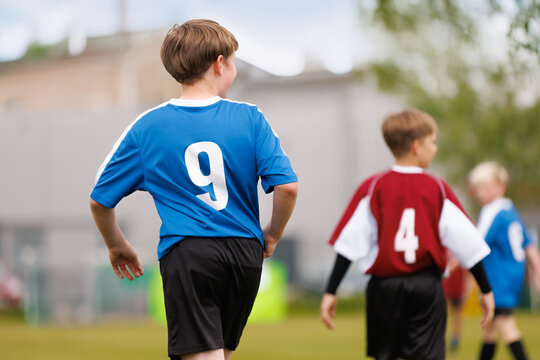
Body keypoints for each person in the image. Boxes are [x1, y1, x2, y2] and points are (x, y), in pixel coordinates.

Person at [89, 19, 298, 360]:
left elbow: (100, 200)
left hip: (190, 253)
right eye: (233, 63)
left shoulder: (148, 126)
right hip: (245, 255)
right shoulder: (250, 117)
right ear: (219, 64)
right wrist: (272, 235)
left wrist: (117, 245)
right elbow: (287, 188)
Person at [320, 108, 495, 360]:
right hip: (426, 287)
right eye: (432, 142)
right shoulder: (437, 187)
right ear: (416, 146)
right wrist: (485, 290)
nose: (435, 148)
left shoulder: (373, 186)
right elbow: (468, 244)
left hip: (384, 289)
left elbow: (349, 244)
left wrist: (331, 290)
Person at [468, 161, 540, 360]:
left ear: (500, 186)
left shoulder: (493, 211)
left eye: (485, 187)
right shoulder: (511, 211)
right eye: (478, 188)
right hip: (513, 276)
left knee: (506, 324)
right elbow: (530, 246)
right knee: (489, 329)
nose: (481, 193)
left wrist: (452, 261)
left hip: (499, 279)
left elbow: (475, 243)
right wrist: (536, 272)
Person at [442, 251, 469, 352]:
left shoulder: (459, 249)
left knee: (458, 314)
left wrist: (467, 285)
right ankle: (441, 337)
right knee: (444, 312)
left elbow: (467, 268)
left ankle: (456, 338)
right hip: (446, 285)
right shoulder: (444, 247)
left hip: (458, 286)